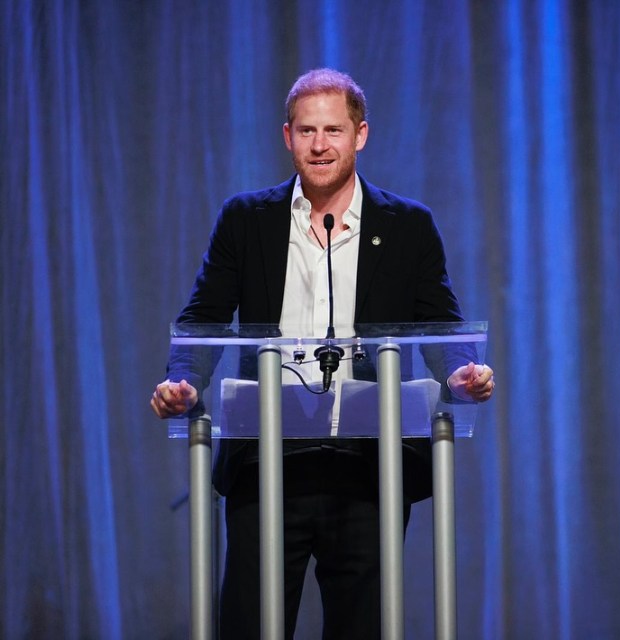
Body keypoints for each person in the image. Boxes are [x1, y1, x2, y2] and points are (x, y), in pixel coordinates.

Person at [149, 68, 495, 639]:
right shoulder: (246, 220)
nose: (319, 145)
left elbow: (440, 322)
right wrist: (182, 380)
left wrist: (462, 373)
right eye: (306, 131)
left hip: (368, 465)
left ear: (361, 135)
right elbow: (203, 317)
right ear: (287, 136)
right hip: (267, 461)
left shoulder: (406, 225)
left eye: (333, 130)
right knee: (250, 623)